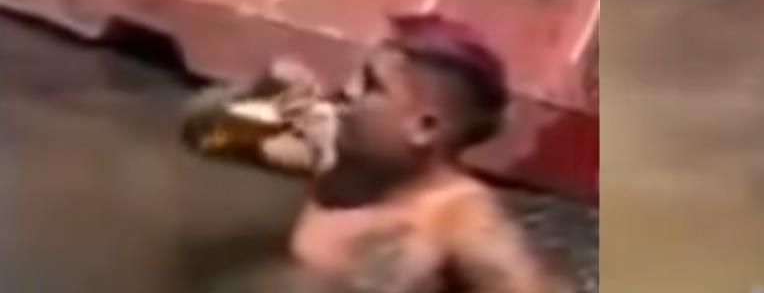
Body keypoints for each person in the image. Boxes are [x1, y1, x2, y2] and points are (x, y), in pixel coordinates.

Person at [186, 15, 568, 293]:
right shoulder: (327, 148)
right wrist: (257, 100)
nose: (346, 91)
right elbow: (198, 132)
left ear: (424, 128)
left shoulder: (458, 221)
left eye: (371, 86)